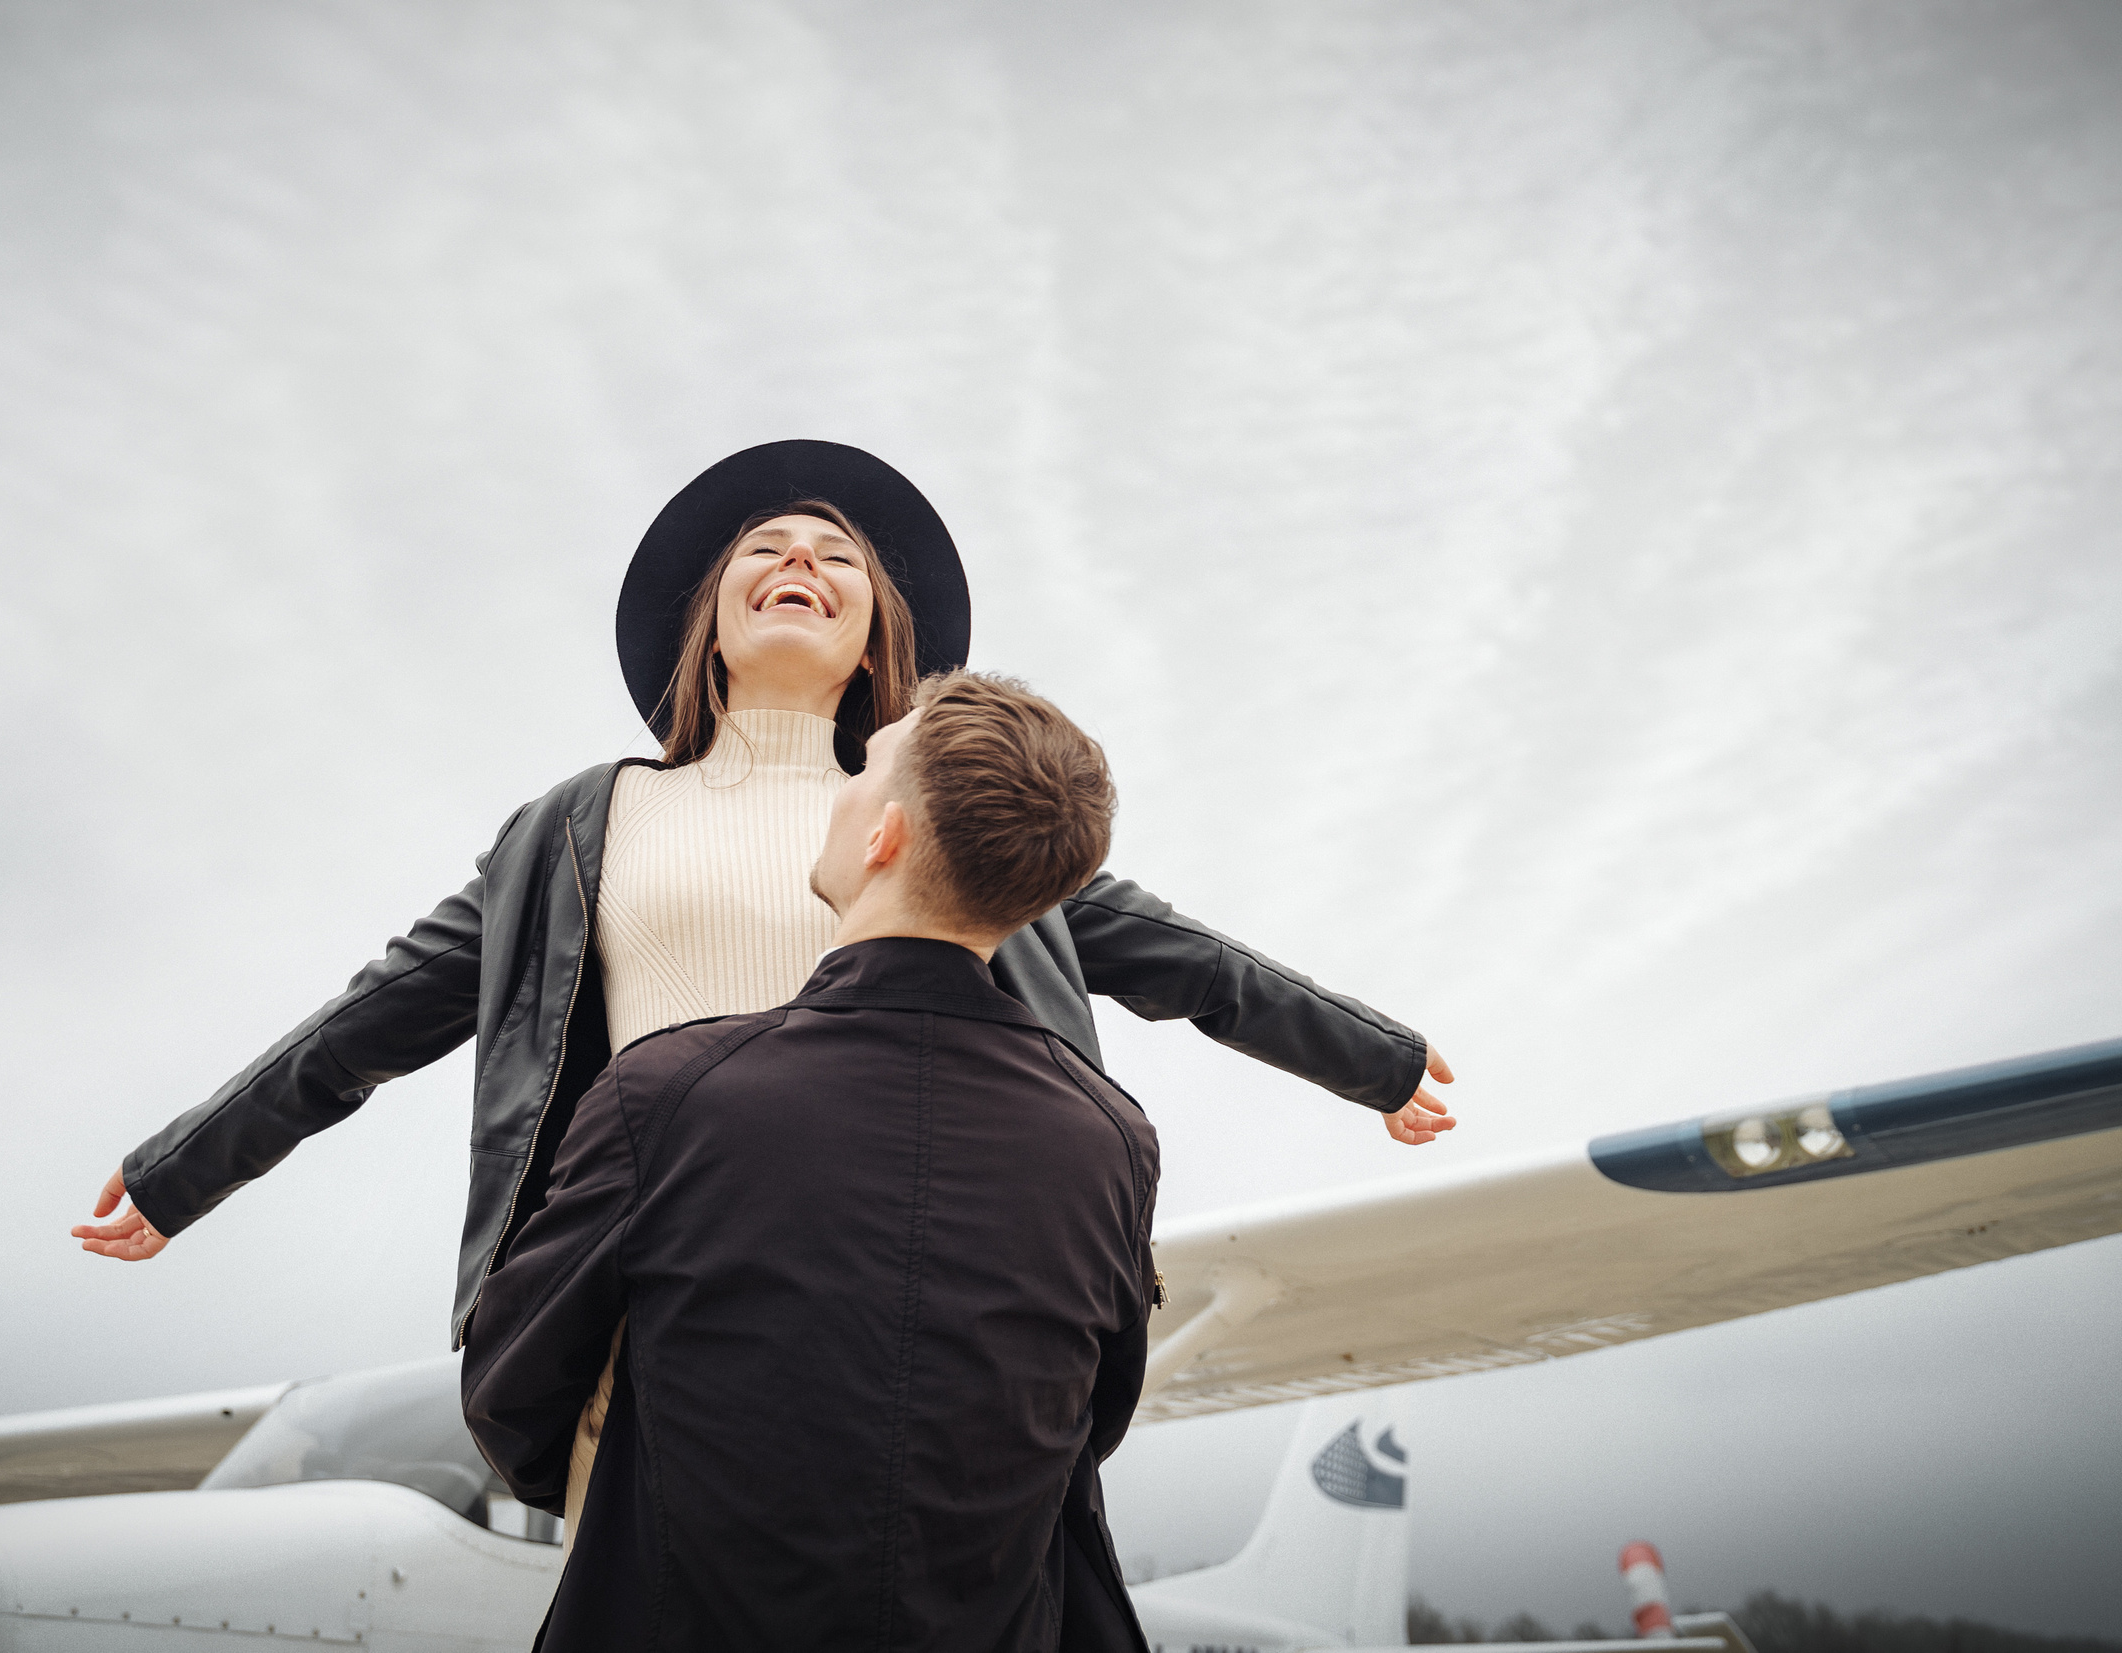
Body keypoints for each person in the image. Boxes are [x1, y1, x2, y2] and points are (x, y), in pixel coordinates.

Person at [72, 441, 1455, 1351]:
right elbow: (365, 1026)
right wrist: (183, 1168)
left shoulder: (939, 810)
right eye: (767, 547)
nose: (802, 561)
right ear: (712, 616)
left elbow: (1180, 958)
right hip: (665, 1288)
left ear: (876, 638)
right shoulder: (572, 831)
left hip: (931, 1277)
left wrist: (1375, 1059)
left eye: (839, 556)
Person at [464, 670, 1156, 1652]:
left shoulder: (665, 1092)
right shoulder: (1111, 1139)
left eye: (864, 769)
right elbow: (1094, 1418)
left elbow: (512, 1384)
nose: (841, 787)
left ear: (883, 837)